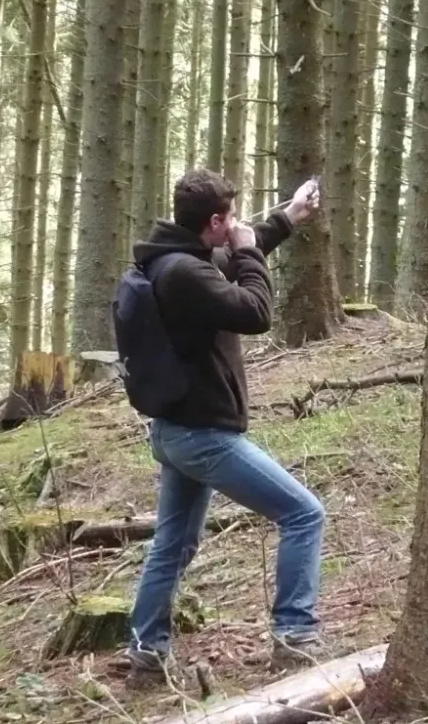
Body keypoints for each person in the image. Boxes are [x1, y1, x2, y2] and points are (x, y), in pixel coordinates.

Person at [125, 168, 327, 687]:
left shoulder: (175, 258)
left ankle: (147, 653)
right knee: (304, 515)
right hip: (203, 437)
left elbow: (239, 248)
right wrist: (250, 253)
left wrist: (289, 215)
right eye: (231, 217)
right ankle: (294, 637)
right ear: (214, 221)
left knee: (173, 543)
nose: (237, 225)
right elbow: (255, 310)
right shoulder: (185, 275)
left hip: (177, 431)